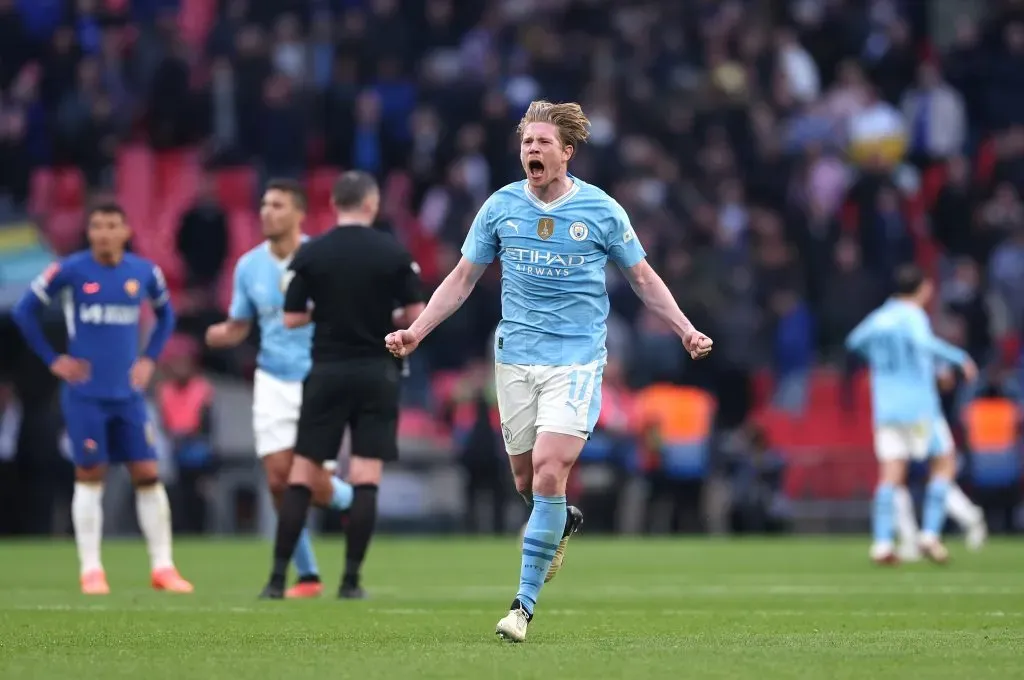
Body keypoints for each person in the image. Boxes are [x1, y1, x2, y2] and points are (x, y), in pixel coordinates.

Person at [385, 100, 713, 642]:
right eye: (526, 143)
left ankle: (522, 607)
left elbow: (644, 279)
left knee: (548, 470)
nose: (531, 150)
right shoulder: (499, 207)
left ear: (567, 152)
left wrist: (684, 328)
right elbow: (463, 279)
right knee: (526, 481)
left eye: (542, 143)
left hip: (578, 359)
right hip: (515, 357)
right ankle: (560, 520)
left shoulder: (602, 211)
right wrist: (417, 331)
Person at [259, 170, 425, 600]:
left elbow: (292, 317)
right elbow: (415, 312)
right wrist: (378, 318)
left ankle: (278, 579)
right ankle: (350, 581)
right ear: (371, 205)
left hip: (326, 371)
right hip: (377, 371)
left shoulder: (314, 254)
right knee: (365, 475)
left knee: (301, 473)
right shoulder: (392, 252)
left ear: (333, 205)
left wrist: (330, 312)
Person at [11, 201, 192, 594]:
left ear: (126, 231)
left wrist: (149, 359)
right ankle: (91, 569)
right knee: (90, 474)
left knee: (147, 473)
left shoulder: (144, 272)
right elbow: (25, 312)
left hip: (128, 396)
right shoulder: (71, 270)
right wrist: (53, 359)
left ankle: (163, 567)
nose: (105, 233)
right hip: (86, 395)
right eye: (98, 226)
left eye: (113, 225)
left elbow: (167, 316)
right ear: (89, 232)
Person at [206, 179, 355, 598]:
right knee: (277, 482)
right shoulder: (248, 266)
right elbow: (241, 324)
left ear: (298, 213)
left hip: (317, 378)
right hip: (271, 379)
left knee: (315, 488)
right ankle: (308, 576)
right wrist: (222, 334)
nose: (266, 212)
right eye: (263, 205)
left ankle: (355, 502)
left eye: (276, 205)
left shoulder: (321, 259)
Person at [845, 264, 977, 566]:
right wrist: (959, 358)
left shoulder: (880, 317)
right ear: (923, 288)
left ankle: (881, 543)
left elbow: (854, 342)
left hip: (886, 408)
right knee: (944, 463)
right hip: (918, 406)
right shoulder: (913, 315)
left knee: (891, 475)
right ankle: (929, 534)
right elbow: (921, 343)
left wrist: (878, 360)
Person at [894, 366, 987, 558]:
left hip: (928, 426)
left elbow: (947, 381)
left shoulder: (927, 357)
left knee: (933, 479)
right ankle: (912, 537)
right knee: (900, 479)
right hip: (911, 423)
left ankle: (967, 518)